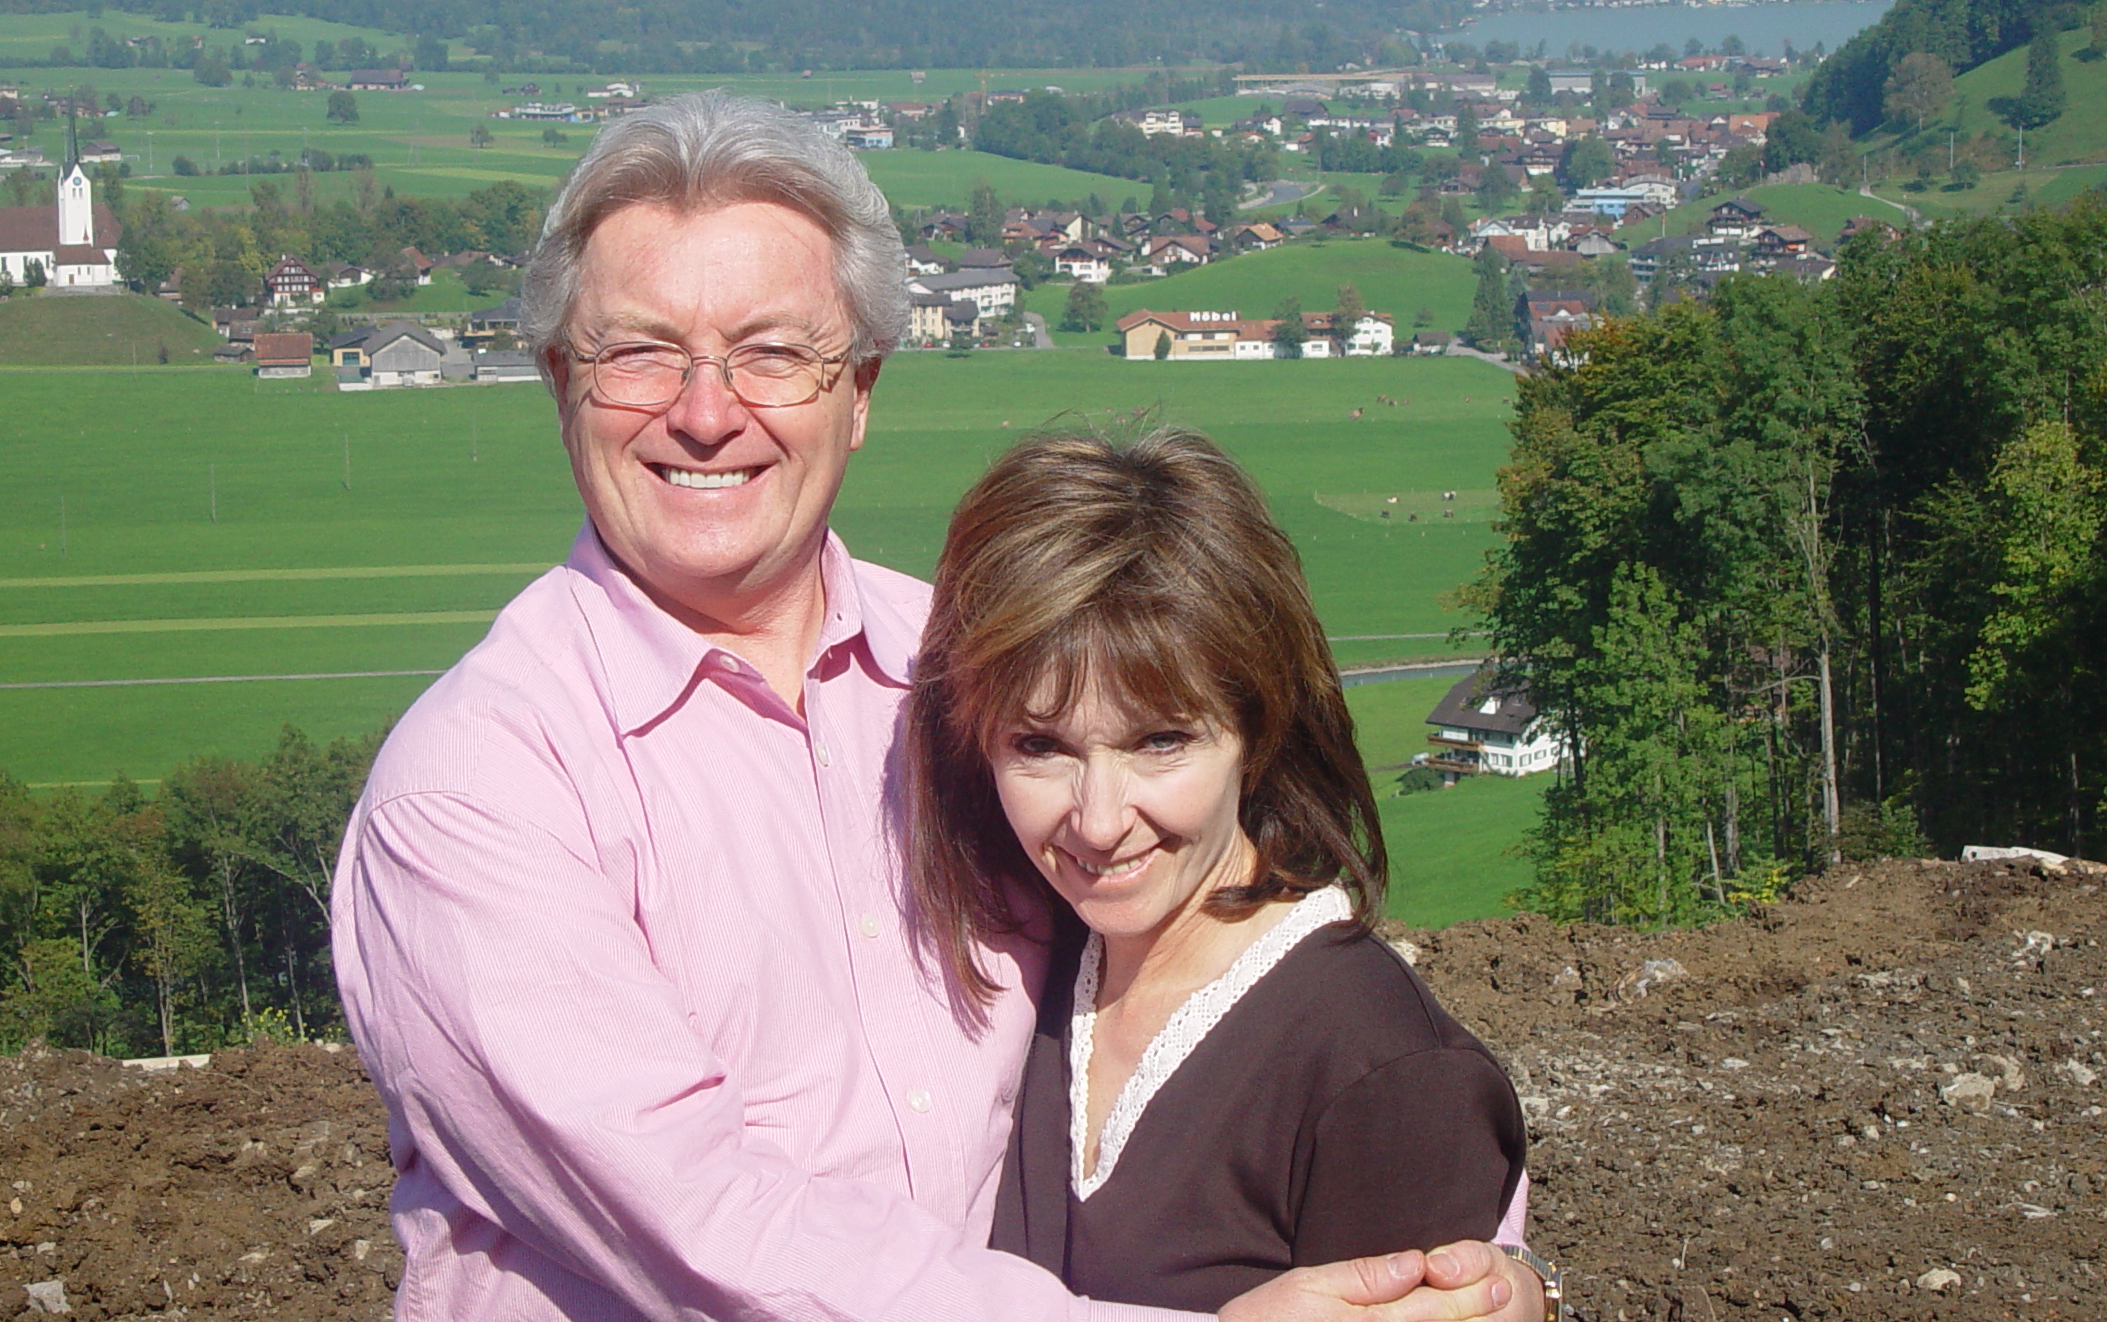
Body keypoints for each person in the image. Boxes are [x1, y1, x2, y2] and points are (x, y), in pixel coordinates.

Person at [331, 91, 1547, 1322]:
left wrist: (1461, 1250)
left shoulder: (989, 668)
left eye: (770, 352)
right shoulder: (479, 789)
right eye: (638, 351)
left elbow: (1245, 920)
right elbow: (703, 1235)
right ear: (559, 383)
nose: (705, 411)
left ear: (859, 390)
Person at [907, 429, 1533, 1311]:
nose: (1097, 819)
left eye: (1161, 741)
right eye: (1039, 746)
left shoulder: (1381, 1074)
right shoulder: (1041, 965)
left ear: (1257, 725)